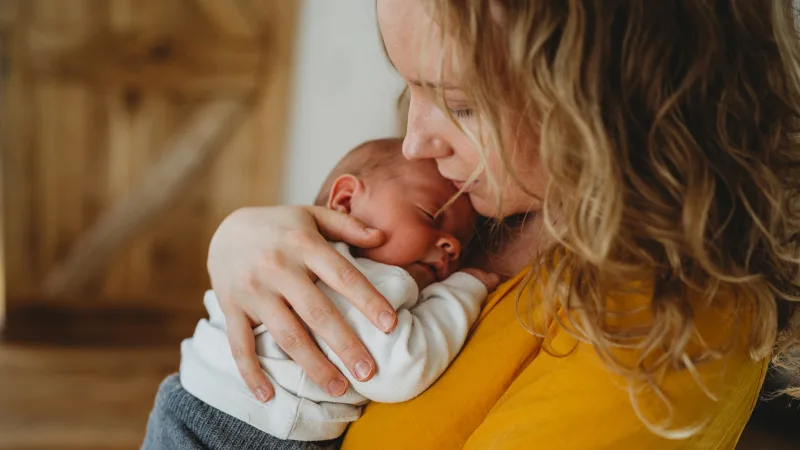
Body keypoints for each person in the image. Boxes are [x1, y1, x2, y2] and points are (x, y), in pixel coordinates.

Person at [203, 1, 800, 448]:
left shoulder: (668, 321)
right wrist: (243, 241)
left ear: (608, 97)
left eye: (461, 104)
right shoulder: (482, 210)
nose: (414, 141)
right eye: (409, 84)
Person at [143, 138, 499, 449]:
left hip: (193, 401)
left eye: (462, 247)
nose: (450, 245)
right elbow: (402, 368)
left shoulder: (284, 251)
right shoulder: (366, 280)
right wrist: (466, 286)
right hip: (242, 431)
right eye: (430, 214)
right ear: (344, 201)